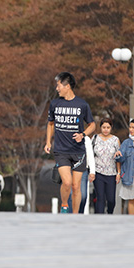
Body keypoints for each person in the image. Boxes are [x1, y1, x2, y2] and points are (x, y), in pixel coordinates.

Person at [43, 72, 95, 214]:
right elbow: (50, 124)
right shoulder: (55, 103)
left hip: (78, 151)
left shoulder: (82, 104)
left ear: (67, 86)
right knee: (66, 182)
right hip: (61, 151)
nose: (57, 89)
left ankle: (75, 214)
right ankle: (64, 205)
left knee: (76, 186)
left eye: (59, 85)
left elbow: (92, 125)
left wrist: (83, 134)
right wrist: (48, 142)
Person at [90, 119, 121, 214]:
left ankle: (109, 213)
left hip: (111, 173)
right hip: (98, 172)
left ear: (111, 128)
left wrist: (118, 172)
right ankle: (99, 218)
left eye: (108, 127)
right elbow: (90, 155)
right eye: (104, 127)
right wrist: (91, 171)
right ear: (101, 128)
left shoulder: (115, 140)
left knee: (111, 199)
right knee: (100, 198)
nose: (106, 130)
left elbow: (118, 158)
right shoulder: (95, 138)